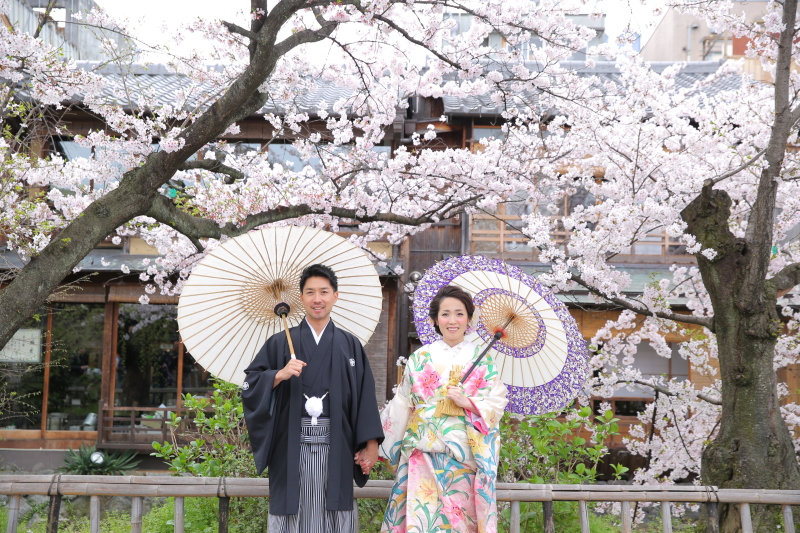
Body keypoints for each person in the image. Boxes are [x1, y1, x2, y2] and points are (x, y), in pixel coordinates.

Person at [242, 263, 384, 533]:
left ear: (335, 296)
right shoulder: (279, 343)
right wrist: (279, 375)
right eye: (310, 292)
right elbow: (250, 385)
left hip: (338, 443)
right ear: (301, 298)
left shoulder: (349, 344)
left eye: (324, 292)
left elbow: (365, 394)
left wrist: (371, 443)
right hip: (290, 444)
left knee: (334, 509)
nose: (317, 299)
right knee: (292, 509)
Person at [379, 285, 509, 533]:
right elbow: (402, 403)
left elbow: (496, 402)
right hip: (423, 451)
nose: (452, 320)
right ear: (435, 320)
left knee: (459, 524)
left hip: (464, 456)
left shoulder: (482, 359)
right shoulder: (420, 357)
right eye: (445, 314)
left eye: (459, 314)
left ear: (469, 319)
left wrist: (468, 403)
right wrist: (375, 442)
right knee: (421, 522)